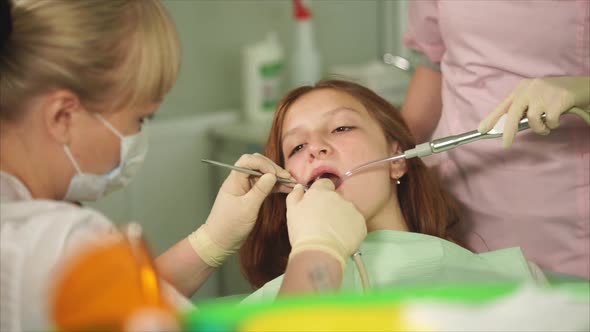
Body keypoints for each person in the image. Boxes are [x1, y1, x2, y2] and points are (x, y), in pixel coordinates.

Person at [0, 1, 366, 331]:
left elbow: (117, 310)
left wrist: (210, 241)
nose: (316, 148)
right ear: (63, 116)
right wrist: (320, 253)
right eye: (141, 118)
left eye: (342, 127)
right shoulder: (54, 242)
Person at [238, 80, 545, 303]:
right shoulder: (268, 306)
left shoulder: (516, 283)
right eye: (297, 146)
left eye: (341, 128)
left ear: (397, 159)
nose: (315, 147)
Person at [402, 0, 589, 278]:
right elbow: (432, 68)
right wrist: (385, 149)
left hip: (566, 216)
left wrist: (584, 88)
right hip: (458, 204)